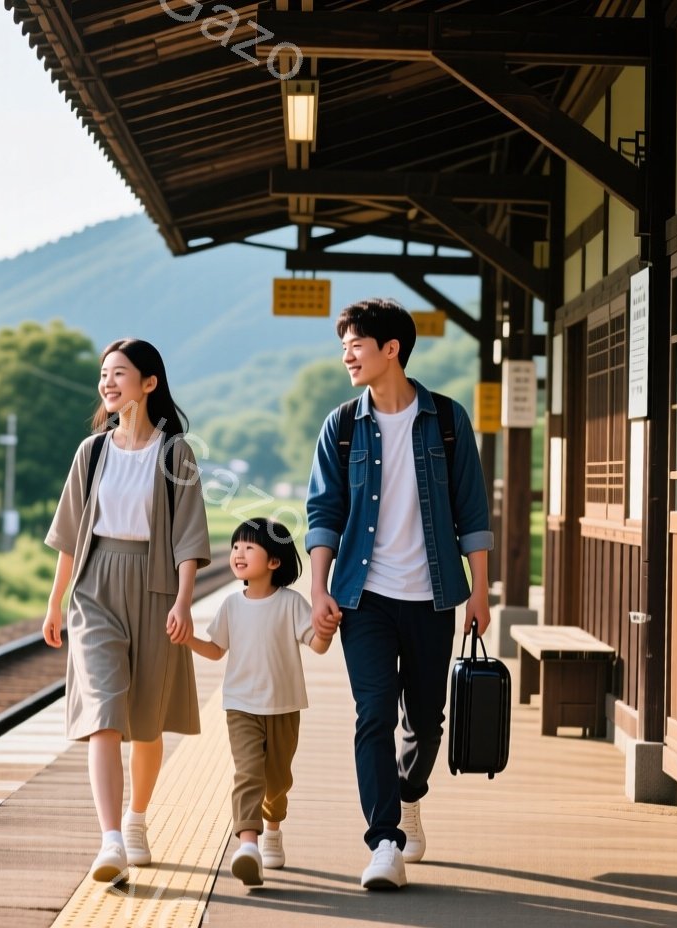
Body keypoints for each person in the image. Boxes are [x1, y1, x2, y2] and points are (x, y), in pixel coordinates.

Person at [305, 298, 493, 891]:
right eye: (344, 347)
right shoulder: (341, 425)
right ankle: (384, 839)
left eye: (356, 345)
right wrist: (317, 587)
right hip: (364, 597)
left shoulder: (445, 420)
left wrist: (481, 593)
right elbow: (324, 512)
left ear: (392, 350)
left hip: (434, 596)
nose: (347, 357)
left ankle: (410, 794)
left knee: (427, 719)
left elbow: (472, 511)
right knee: (374, 716)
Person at [43, 338, 211, 884]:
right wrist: (57, 601)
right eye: (103, 375)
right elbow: (71, 534)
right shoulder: (91, 452)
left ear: (149, 383)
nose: (108, 384)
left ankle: (137, 818)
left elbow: (189, 536)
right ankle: (110, 838)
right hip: (95, 588)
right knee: (103, 716)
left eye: (119, 374)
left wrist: (186, 601)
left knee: (145, 720)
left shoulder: (174, 453)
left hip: (157, 587)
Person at [185, 519, 330, 887]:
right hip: (240, 706)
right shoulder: (231, 605)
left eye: (249, 547)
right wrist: (189, 639)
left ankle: (273, 828)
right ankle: (248, 845)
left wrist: (326, 630)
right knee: (248, 773)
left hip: (284, 706)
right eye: (236, 546)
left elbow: (316, 644)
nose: (238, 553)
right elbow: (217, 650)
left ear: (274, 562)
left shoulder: (291, 603)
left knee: (277, 781)